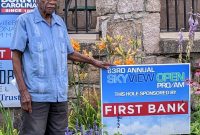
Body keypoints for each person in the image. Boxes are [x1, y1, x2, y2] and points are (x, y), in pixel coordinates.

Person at [11, 0, 113, 134]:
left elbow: (69, 52)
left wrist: (94, 62)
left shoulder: (59, 22)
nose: (52, 2)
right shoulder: (25, 21)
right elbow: (15, 56)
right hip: (36, 97)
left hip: (59, 96)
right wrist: (23, 92)